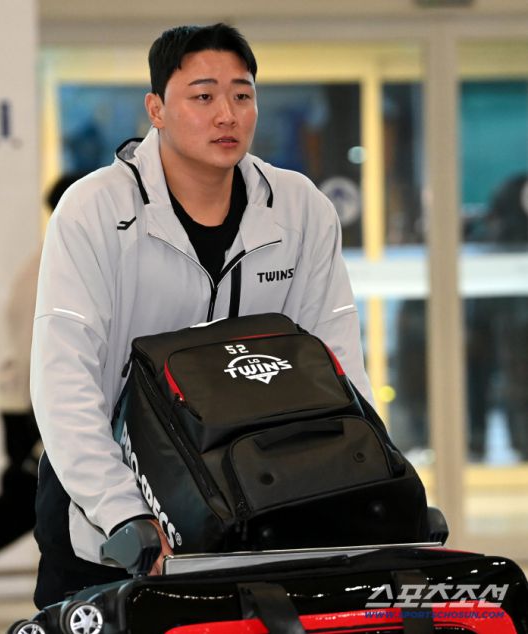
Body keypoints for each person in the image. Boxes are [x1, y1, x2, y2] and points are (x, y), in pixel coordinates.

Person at [31, 23, 372, 609]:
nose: (227, 115)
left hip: (256, 504)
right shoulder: (94, 211)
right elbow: (64, 379)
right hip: (109, 519)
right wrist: (123, 513)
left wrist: (367, 481)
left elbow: (337, 364)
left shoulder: (301, 211)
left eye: (242, 95)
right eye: (204, 96)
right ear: (156, 109)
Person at [0, 174, 85, 551]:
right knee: (24, 505)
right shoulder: (55, 265)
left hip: (26, 403)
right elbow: (41, 351)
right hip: (33, 406)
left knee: (30, 505)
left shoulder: (53, 258)